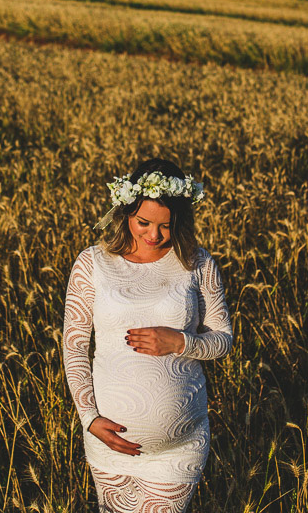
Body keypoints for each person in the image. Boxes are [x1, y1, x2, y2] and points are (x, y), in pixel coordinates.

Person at [62, 158, 233, 513]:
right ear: (125, 213)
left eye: (165, 226)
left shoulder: (198, 263)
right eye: (144, 223)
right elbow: (75, 345)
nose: (153, 235)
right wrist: (89, 418)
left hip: (179, 447)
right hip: (109, 444)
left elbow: (223, 339)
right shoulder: (92, 262)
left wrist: (181, 342)